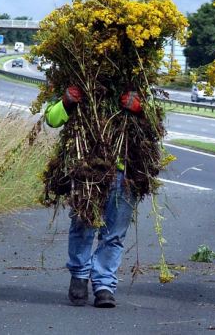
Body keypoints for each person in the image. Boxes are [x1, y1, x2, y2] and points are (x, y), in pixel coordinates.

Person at [44, 86, 143, 308]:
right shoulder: (74, 79)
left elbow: (154, 125)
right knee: (82, 223)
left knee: (114, 233)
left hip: (124, 170)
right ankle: (79, 275)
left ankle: (104, 285)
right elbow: (51, 118)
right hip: (85, 166)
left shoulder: (136, 82)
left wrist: (139, 109)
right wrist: (67, 102)